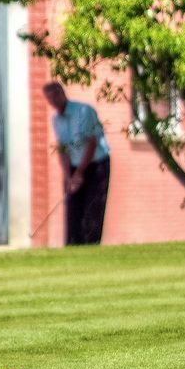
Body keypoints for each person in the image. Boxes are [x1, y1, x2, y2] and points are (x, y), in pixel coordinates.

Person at [44, 80, 110, 245]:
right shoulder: (56, 120)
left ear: (62, 94)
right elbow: (63, 149)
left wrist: (80, 173)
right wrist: (68, 176)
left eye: (55, 96)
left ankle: (91, 242)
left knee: (92, 207)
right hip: (74, 166)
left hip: (96, 164)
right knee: (73, 207)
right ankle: (73, 243)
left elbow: (92, 143)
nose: (53, 101)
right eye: (49, 98)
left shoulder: (83, 111)